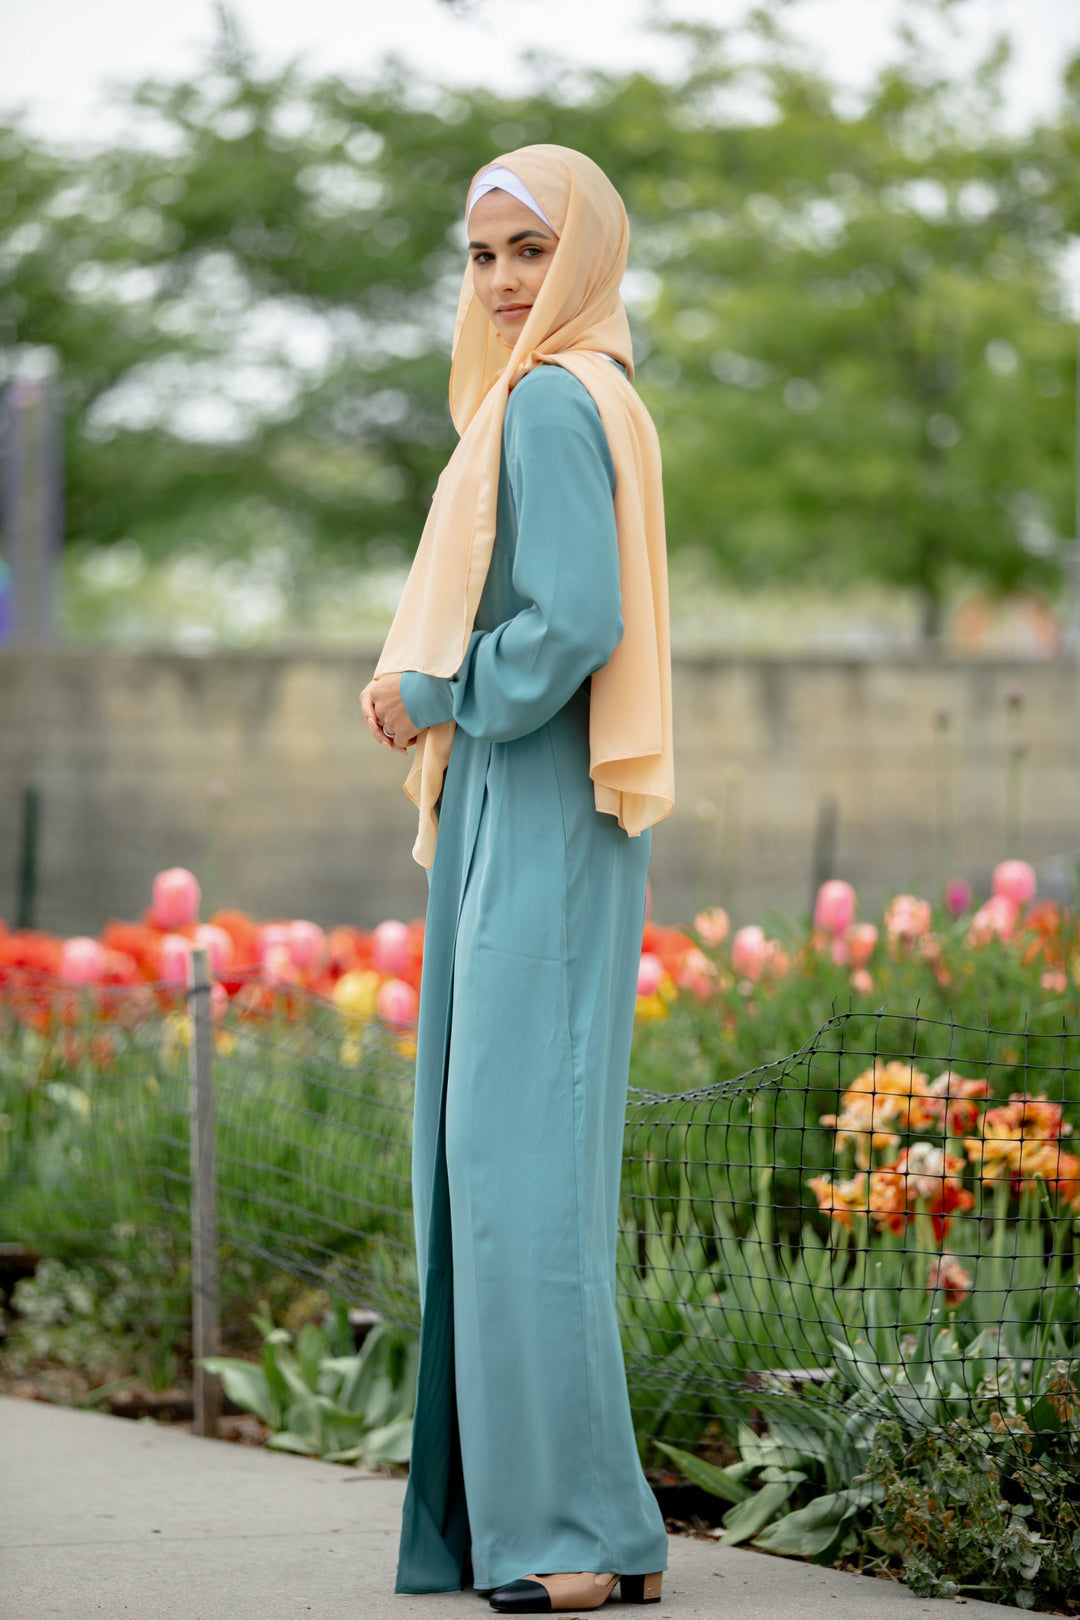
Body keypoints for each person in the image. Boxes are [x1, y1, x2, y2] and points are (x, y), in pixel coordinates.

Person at [359, 144, 674, 1616]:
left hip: (534, 792)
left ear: (586, 261)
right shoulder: (566, 392)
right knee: (509, 1166)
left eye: (528, 252)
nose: (499, 283)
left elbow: (574, 625)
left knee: (511, 1175)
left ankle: (561, 1537)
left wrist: (435, 683)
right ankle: (587, 1522)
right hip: (524, 799)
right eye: (481, 255)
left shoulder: (550, 400)